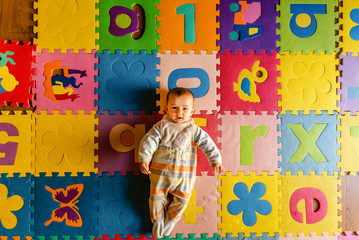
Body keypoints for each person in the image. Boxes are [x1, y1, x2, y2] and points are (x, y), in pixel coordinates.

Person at [138, 87, 223, 238]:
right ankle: (157, 222)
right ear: (166, 109)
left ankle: (170, 221)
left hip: (184, 177)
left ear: (192, 111)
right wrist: (144, 159)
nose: (179, 113)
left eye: (185, 109)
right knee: (155, 199)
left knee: (182, 201)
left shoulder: (193, 130)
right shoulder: (161, 126)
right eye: (174, 108)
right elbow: (148, 141)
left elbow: (207, 143)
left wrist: (215, 160)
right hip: (160, 174)